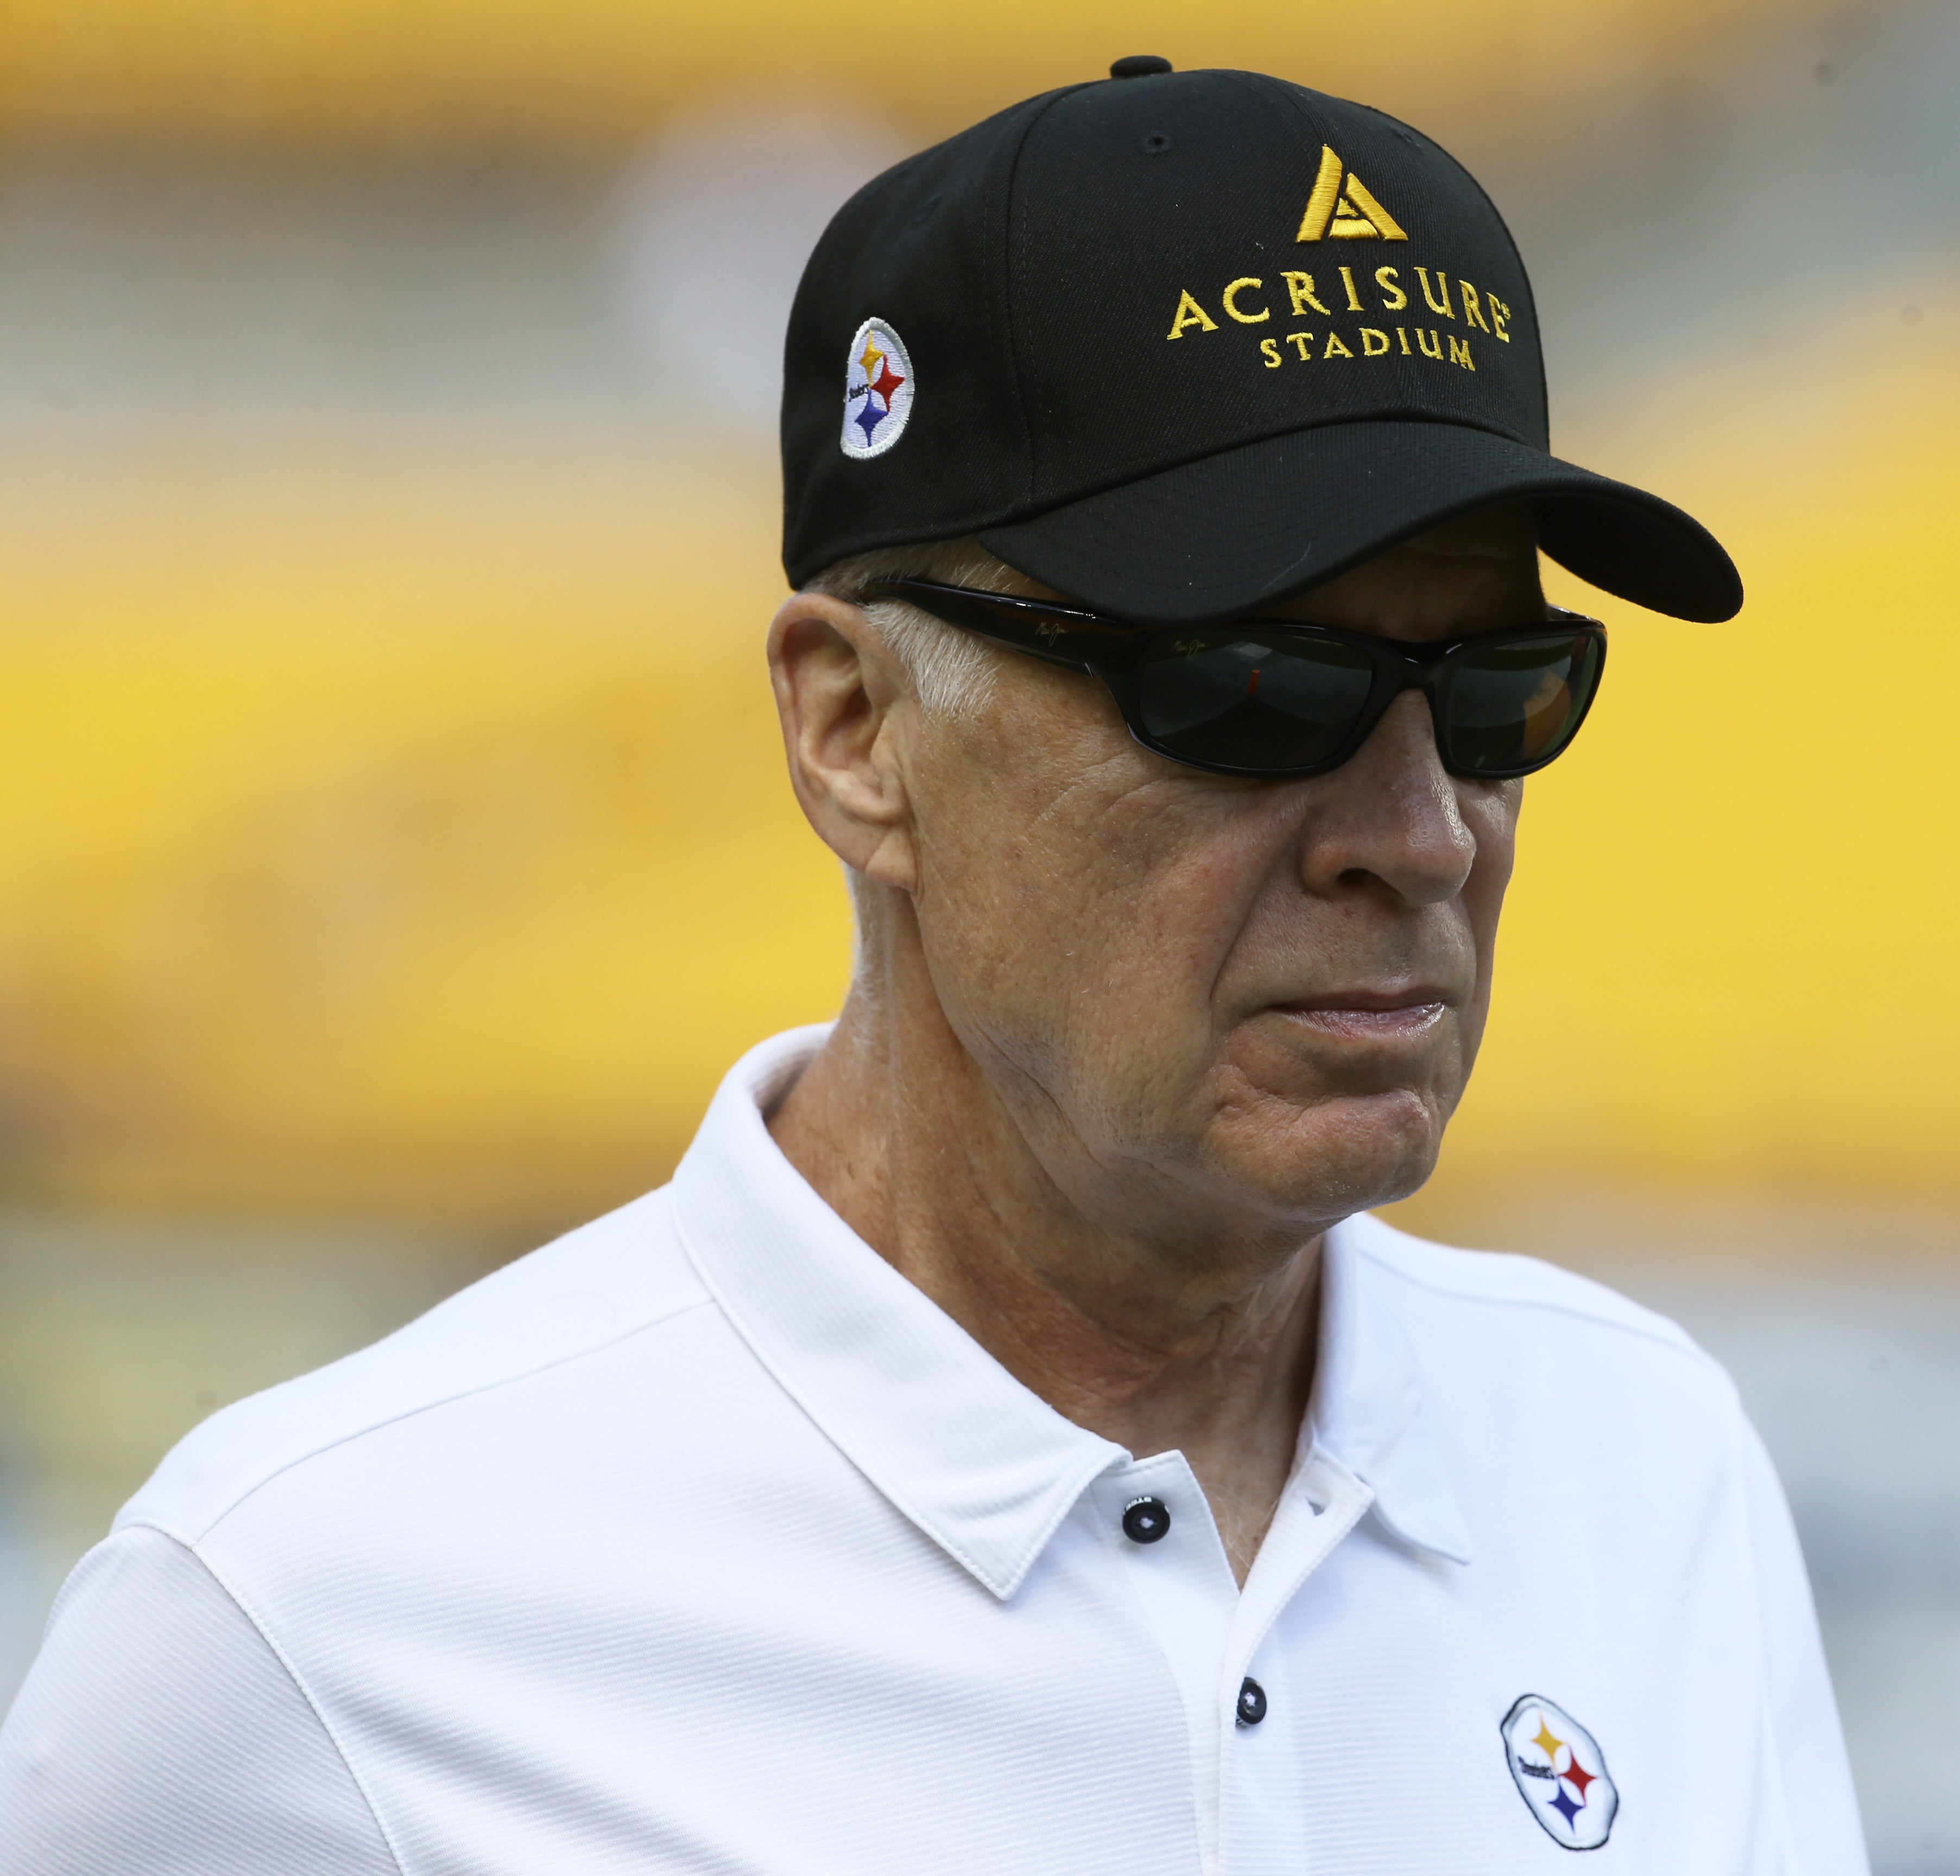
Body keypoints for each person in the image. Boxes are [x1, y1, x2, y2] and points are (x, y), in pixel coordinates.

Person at [0, 59, 1866, 1873]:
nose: (1423, 829)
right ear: (852, 731)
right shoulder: (311, 1622)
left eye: (1498, 697)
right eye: (1249, 691)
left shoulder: (1645, 1462)